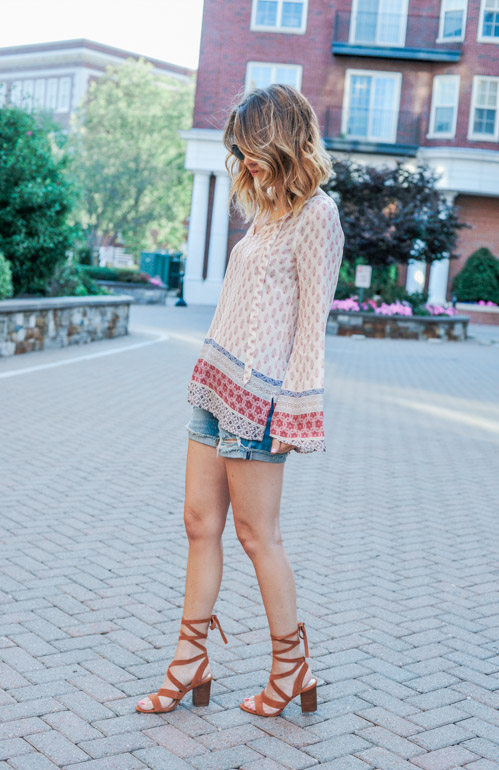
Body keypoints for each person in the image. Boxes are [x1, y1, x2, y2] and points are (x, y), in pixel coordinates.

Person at [136, 84, 344, 717]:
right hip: (217, 386)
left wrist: (299, 411)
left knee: (259, 536)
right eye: (239, 149)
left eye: (254, 148)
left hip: (262, 401)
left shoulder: (317, 215)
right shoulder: (267, 212)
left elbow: (312, 323)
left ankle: (292, 667)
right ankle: (189, 660)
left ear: (284, 139)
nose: (245, 160)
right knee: (199, 523)